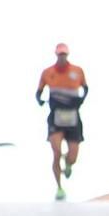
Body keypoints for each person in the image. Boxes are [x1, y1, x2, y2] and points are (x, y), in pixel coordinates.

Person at [36, 43, 88, 201]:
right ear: (56, 55)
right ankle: (59, 187)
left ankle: (69, 163)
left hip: (72, 115)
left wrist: (81, 100)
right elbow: (39, 91)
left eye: (64, 55)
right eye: (60, 55)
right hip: (56, 116)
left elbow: (86, 88)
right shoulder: (48, 72)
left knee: (72, 155)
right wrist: (40, 100)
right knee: (56, 152)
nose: (62, 57)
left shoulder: (77, 71)